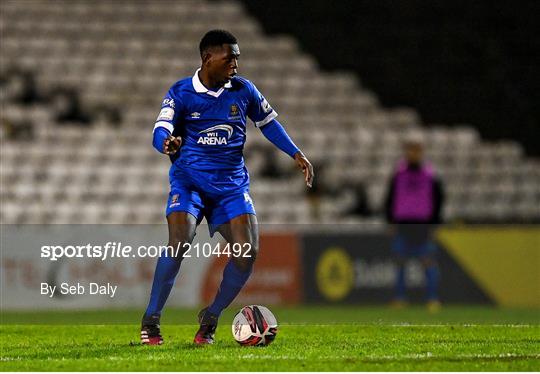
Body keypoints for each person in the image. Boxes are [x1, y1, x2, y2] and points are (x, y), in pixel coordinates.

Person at [141, 30, 314, 345]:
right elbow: (160, 129)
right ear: (208, 58)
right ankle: (151, 320)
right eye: (229, 57)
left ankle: (211, 317)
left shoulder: (243, 90)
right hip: (189, 182)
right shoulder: (180, 92)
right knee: (180, 240)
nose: (236, 62)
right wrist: (167, 142)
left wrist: (295, 152)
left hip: (230, 187)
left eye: (237, 56)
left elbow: (268, 123)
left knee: (247, 253)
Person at [384, 134, 444, 312]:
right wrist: (390, 220)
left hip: (422, 224)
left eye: (416, 150)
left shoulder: (430, 175)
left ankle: (432, 298)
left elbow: (438, 200)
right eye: (410, 149)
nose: (413, 153)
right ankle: (400, 298)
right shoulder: (399, 174)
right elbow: (390, 198)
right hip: (403, 222)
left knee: (428, 262)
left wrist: (435, 223)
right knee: (400, 261)